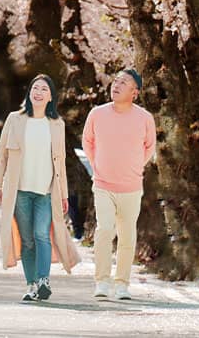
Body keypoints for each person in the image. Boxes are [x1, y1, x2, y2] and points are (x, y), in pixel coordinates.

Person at [0, 74, 80, 302]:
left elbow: (60, 162)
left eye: (43, 89)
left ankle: (43, 280)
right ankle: (31, 285)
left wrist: (62, 192)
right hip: (19, 190)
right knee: (27, 239)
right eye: (35, 88)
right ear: (29, 93)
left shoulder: (56, 125)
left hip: (46, 191)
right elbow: (1, 155)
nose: (38, 92)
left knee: (42, 234)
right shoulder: (15, 119)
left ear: (51, 97)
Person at [82, 68, 156, 300]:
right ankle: (102, 282)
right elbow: (88, 142)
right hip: (103, 183)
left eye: (124, 83)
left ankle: (122, 283)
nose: (116, 85)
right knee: (104, 230)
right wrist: (98, 166)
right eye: (115, 81)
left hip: (131, 186)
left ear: (135, 92)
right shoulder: (97, 113)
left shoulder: (145, 118)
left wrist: (133, 168)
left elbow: (149, 148)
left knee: (127, 235)